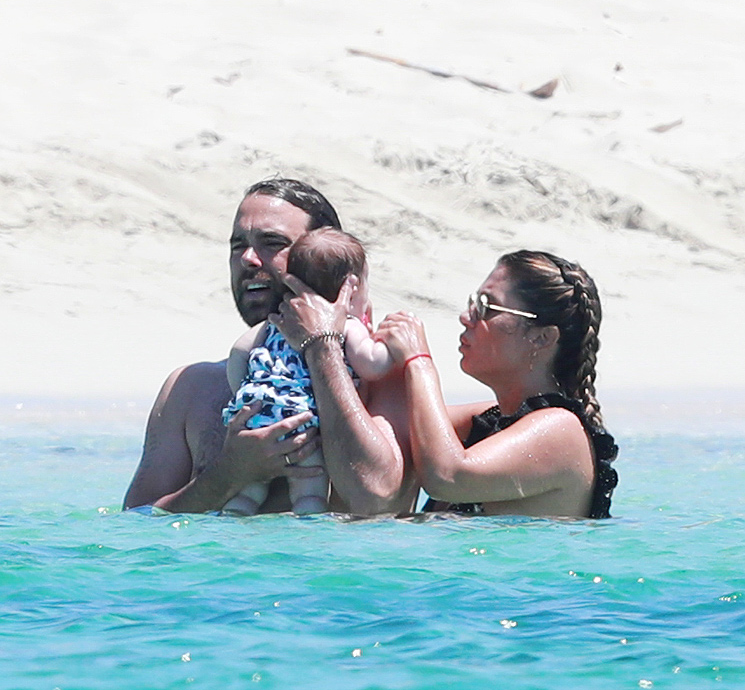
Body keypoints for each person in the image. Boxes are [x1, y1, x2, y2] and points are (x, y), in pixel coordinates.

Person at [123, 178, 417, 515]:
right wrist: (229, 474)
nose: (248, 258)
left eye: (272, 243)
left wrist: (323, 349)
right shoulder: (191, 388)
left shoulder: (384, 379)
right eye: (238, 245)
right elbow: (136, 525)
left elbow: (376, 500)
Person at [374, 249, 618, 518]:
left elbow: (447, 477)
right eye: (473, 303)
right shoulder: (492, 417)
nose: (466, 317)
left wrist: (418, 362)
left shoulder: (562, 429)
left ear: (542, 338)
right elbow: (392, 423)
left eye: (486, 308)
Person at [222, 228, 394, 515]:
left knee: (248, 491)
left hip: (259, 414)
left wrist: (245, 394)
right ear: (350, 289)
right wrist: (394, 349)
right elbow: (371, 365)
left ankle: (236, 512)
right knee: (310, 489)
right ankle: (308, 518)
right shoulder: (346, 325)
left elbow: (239, 352)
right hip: (302, 422)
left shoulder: (275, 322)